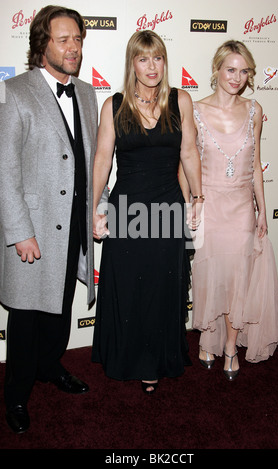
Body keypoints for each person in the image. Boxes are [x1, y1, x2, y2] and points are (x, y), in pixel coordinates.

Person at [0, 5, 107, 433]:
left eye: (78, 39)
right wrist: (19, 231)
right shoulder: (14, 91)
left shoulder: (85, 92)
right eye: (64, 40)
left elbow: (88, 160)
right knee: (26, 318)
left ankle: (51, 366)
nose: (74, 47)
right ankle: (16, 396)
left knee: (60, 307)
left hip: (72, 227)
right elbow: (5, 170)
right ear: (41, 44)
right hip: (34, 229)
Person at [92, 30, 203, 395]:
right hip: (128, 211)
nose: (151, 66)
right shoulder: (114, 105)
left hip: (169, 208)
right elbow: (102, 161)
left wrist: (197, 196)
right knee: (128, 287)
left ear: (164, 62)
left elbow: (188, 153)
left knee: (161, 288)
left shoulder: (180, 100)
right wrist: (94, 208)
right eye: (143, 58)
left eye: (157, 58)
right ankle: (127, 357)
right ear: (132, 64)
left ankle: (154, 361)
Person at [180, 40, 278, 381]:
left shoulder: (254, 110)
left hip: (241, 205)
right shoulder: (194, 109)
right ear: (217, 69)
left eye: (244, 71)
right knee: (211, 276)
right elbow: (185, 162)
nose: (237, 77)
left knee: (239, 276)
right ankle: (208, 336)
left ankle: (230, 346)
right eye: (231, 69)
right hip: (207, 202)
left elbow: (254, 166)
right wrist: (189, 203)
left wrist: (263, 211)